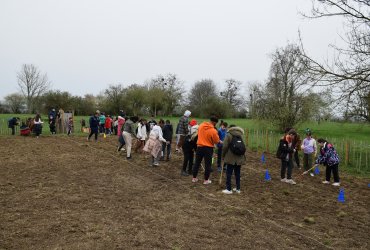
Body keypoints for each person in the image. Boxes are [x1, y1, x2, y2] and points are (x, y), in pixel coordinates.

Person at [192, 116, 220, 184]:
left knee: (197, 163)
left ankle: (194, 178)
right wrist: (219, 141)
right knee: (208, 164)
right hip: (208, 148)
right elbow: (216, 141)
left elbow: (199, 134)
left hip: (199, 147)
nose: (215, 125)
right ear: (214, 122)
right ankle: (206, 180)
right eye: (215, 123)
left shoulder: (201, 126)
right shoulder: (213, 130)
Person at [221, 125, 246, 194]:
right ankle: (238, 189)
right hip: (239, 158)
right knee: (237, 173)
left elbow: (225, 146)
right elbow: (244, 146)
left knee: (229, 173)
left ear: (230, 129)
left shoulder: (228, 135)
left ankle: (229, 189)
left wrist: (223, 156)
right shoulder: (240, 135)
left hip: (230, 158)